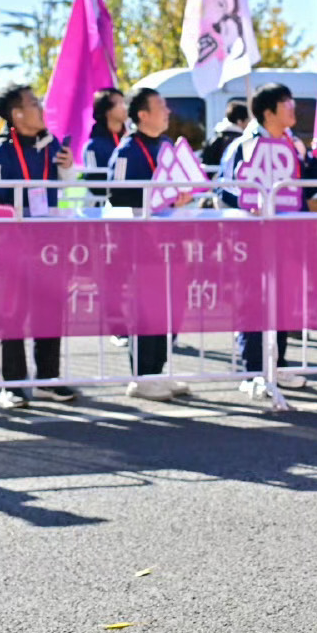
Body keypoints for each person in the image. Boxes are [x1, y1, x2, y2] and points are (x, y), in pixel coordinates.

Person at [0, 83, 79, 409]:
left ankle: (48, 379)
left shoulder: (50, 146)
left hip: (48, 246)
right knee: (12, 314)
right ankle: (13, 385)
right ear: (17, 114)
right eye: (34, 103)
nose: (42, 107)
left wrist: (67, 169)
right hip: (11, 248)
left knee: (50, 311)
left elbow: (66, 186)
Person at [221, 83, 306, 391]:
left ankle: (277, 364)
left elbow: (304, 185)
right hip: (251, 239)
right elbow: (224, 188)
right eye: (287, 102)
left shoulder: (293, 143)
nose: (293, 107)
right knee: (254, 301)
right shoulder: (244, 145)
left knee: (283, 301)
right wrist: (250, 203)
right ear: (268, 111)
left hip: (286, 237)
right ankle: (253, 371)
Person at [108, 86, 190, 401]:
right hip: (143, 245)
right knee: (147, 310)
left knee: (173, 310)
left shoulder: (167, 145)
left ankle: (158, 371)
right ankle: (142, 377)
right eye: (161, 107)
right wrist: (161, 195)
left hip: (173, 240)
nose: (168, 111)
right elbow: (117, 195)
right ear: (142, 114)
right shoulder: (128, 151)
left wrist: (180, 194)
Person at [81, 88, 127, 191]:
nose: (125, 108)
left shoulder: (130, 141)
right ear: (107, 110)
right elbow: (94, 184)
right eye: (120, 103)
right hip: (103, 205)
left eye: (124, 103)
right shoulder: (92, 146)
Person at [201, 98, 250, 167]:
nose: (249, 124)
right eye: (247, 121)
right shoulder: (240, 141)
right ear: (239, 121)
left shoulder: (214, 139)